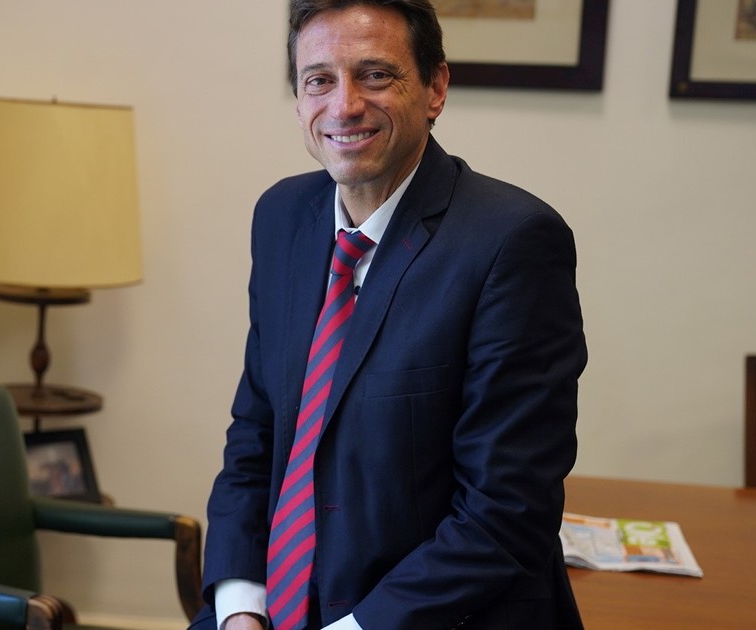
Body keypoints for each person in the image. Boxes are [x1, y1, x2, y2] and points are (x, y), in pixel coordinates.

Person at [191, 1, 587, 628]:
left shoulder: (512, 243)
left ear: (435, 88)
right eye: (319, 80)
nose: (344, 105)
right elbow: (257, 434)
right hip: (274, 608)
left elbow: (505, 514)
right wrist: (241, 606)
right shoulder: (282, 217)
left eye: (375, 75)